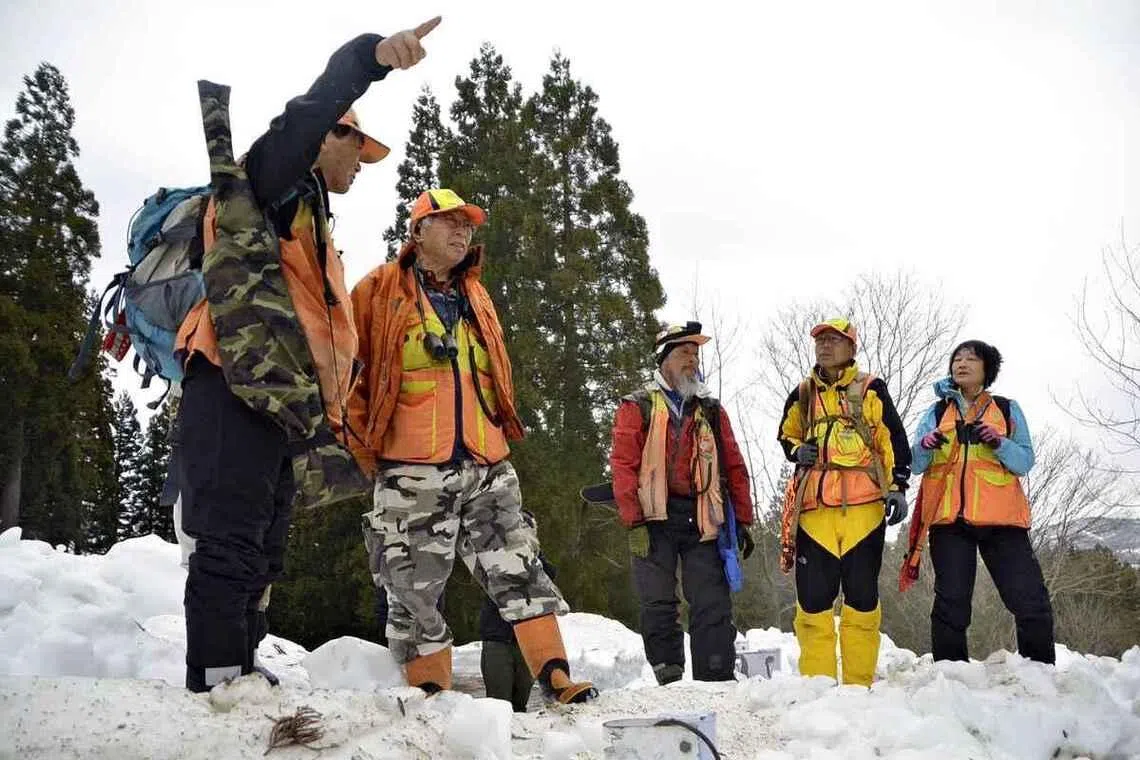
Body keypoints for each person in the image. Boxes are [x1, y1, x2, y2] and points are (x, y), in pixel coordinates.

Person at [172, 20, 440, 693]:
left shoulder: (313, 221)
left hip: (277, 403)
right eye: (357, 147)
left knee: (262, 549)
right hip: (232, 384)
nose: (362, 162)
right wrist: (368, 60)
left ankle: (240, 673)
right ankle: (215, 681)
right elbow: (305, 115)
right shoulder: (268, 186)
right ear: (330, 138)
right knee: (230, 538)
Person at [347, 188, 596, 704]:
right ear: (417, 232)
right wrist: (362, 454)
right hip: (411, 465)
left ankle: (555, 677)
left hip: (486, 461)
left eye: (468, 225)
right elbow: (351, 376)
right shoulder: (377, 290)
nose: (463, 232)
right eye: (449, 223)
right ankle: (430, 694)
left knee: (521, 567)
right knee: (411, 586)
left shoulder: (476, 294)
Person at [609, 322, 755, 685]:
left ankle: (717, 676)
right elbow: (623, 465)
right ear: (664, 360)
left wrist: (744, 520)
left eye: (695, 353)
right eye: (683, 353)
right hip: (653, 517)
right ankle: (668, 675)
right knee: (657, 601)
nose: (692, 360)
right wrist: (633, 521)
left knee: (711, 601)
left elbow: (733, 465)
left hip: (703, 515)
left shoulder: (711, 409)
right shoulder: (637, 405)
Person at [901, 340, 1055, 663]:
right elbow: (914, 463)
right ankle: (951, 677)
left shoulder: (1007, 408)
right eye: (957, 358)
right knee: (951, 604)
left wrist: (999, 442)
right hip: (949, 522)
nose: (962, 363)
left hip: (1002, 522)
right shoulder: (937, 411)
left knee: (1029, 599)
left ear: (987, 368)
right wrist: (926, 445)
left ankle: (1040, 672)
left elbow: (1024, 461)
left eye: (971, 358)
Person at [776, 318, 910, 687]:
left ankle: (857, 685)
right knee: (813, 602)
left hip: (864, 511)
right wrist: (796, 450)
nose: (825, 346)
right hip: (815, 512)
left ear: (852, 348)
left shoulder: (870, 389)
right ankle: (816, 686)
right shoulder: (803, 393)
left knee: (862, 600)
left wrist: (898, 486)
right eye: (820, 340)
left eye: (835, 340)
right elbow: (785, 435)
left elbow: (893, 438)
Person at [479, 512, 555, 712]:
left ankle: (517, 743)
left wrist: (533, 550)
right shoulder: (493, 555)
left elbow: (548, 577)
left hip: (526, 641)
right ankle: (495, 741)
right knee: (498, 705)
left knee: (520, 704)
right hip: (497, 640)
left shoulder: (537, 560)